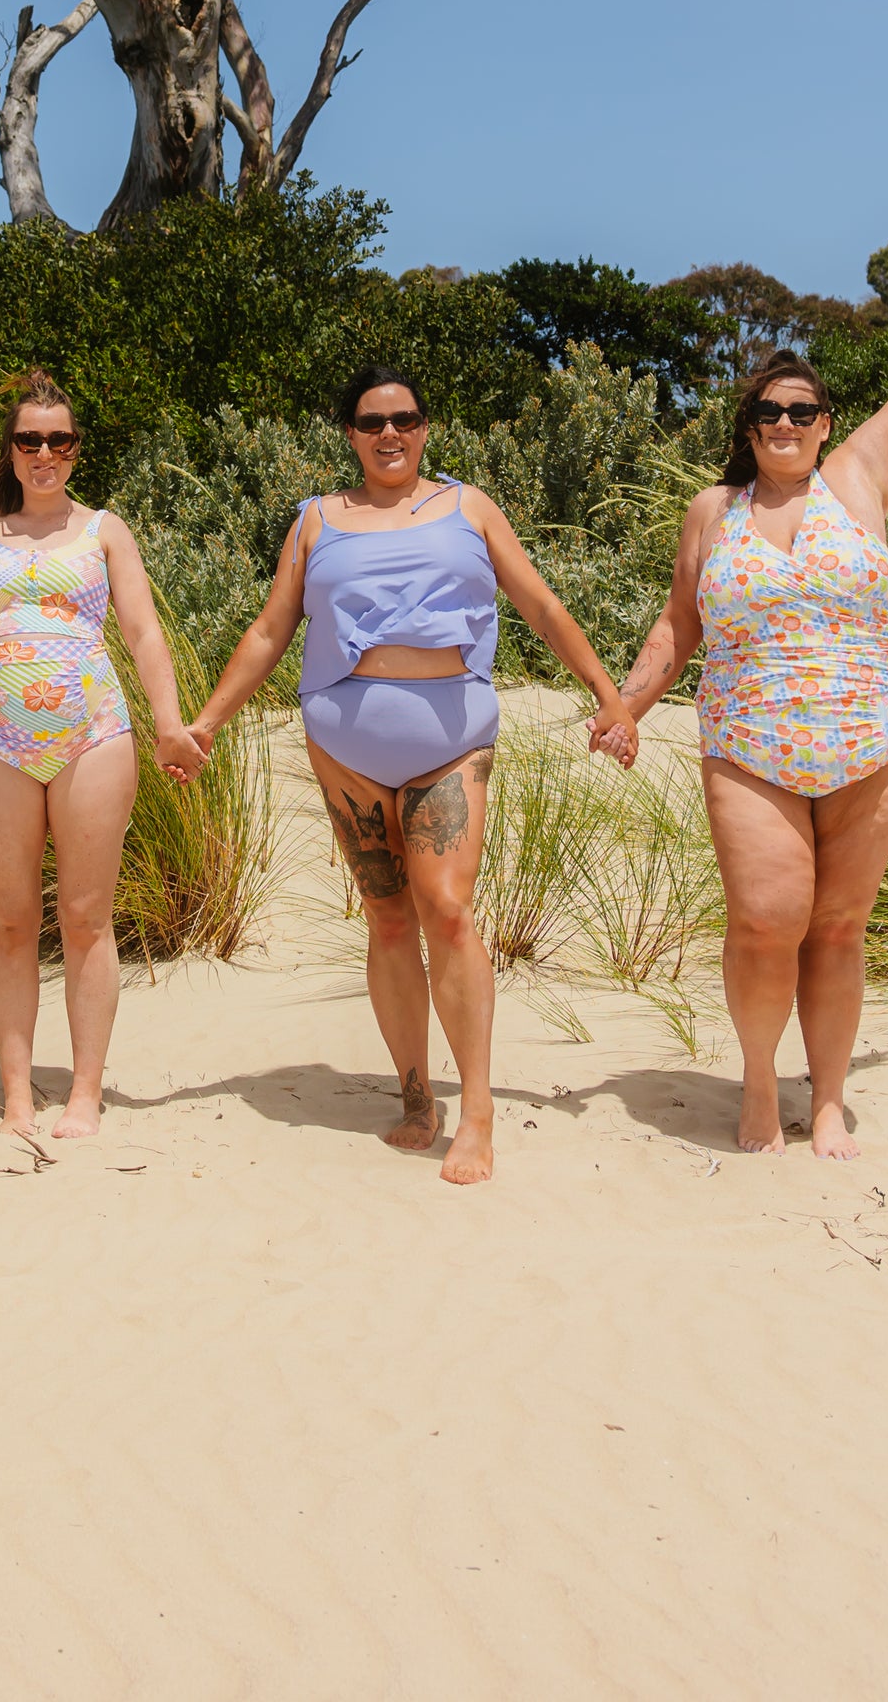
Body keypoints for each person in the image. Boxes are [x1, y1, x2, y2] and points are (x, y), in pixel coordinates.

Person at [186, 365, 637, 1186]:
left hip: (451, 737)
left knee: (449, 910)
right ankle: (414, 1096)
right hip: (344, 740)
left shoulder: (469, 507)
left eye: (405, 419)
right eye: (371, 422)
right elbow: (269, 629)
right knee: (389, 918)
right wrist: (207, 724)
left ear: (426, 428)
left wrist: (610, 696)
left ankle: (478, 1112)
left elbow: (539, 603)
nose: (389, 434)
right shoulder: (316, 521)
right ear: (349, 434)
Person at [617, 250, 888, 1161]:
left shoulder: (861, 480)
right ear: (748, 427)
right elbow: (679, 626)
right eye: (770, 411)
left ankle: (828, 1098)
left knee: (838, 927)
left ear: (827, 423)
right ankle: (762, 1079)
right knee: (765, 921)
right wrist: (631, 705)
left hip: (870, 736)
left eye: (803, 410)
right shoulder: (711, 509)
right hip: (748, 740)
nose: (787, 422)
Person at [0, 371, 207, 1144]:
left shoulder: (104, 531)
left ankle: (85, 1092)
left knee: (88, 919)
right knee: (11, 920)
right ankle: (17, 1093)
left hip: (93, 734)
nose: (45, 452)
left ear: (76, 450)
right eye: (31, 439)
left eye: (59, 439)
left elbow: (144, 633)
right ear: (12, 449)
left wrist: (169, 722)